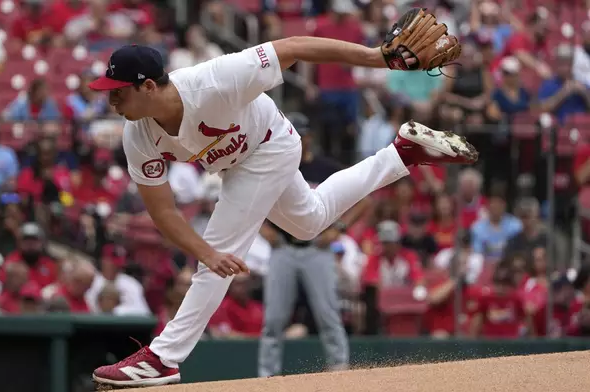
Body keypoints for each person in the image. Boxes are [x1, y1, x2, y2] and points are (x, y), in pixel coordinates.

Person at [88, 33, 477, 387]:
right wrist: (206, 252)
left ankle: (163, 357)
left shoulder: (215, 80)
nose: (111, 102)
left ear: (149, 86)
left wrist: (376, 57)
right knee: (310, 221)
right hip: (236, 163)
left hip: (270, 143)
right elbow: (163, 212)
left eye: (118, 92)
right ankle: (402, 153)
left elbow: (292, 48)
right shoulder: (137, 134)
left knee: (218, 255)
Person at [258, 113, 349, 377]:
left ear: (309, 137)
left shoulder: (325, 167)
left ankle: (340, 372)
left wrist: (340, 228)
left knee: (328, 316)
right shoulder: (276, 167)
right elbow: (251, 198)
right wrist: (262, 228)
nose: (298, 139)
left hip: (316, 249)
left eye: (302, 134)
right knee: (274, 319)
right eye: (293, 133)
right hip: (284, 249)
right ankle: (267, 378)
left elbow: (362, 199)